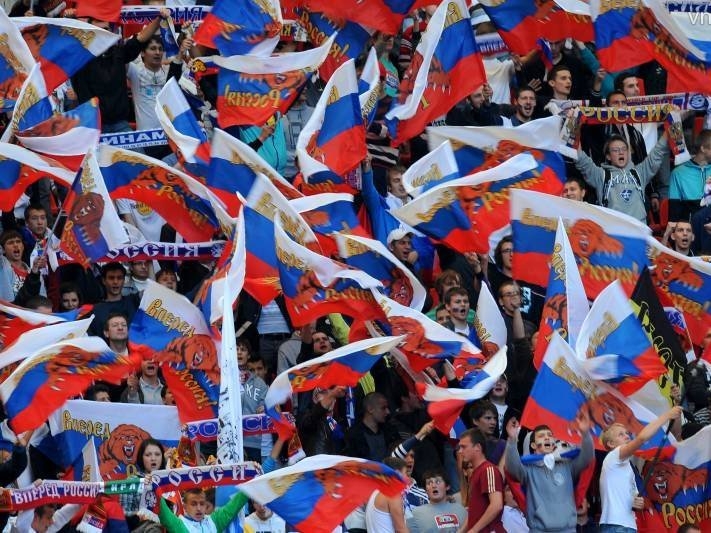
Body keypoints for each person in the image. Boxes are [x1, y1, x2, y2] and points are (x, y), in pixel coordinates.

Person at [598, 406, 682, 532]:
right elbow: (642, 438)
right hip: (615, 525)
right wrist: (666, 416)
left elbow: (635, 501)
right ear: (611, 444)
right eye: (621, 435)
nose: (627, 436)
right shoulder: (613, 456)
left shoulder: (627, 467)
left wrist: (638, 502)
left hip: (628, 525)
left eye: (627, 433)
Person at [504, 418, 593, 533]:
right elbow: (512, 467)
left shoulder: (567, 465)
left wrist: (586, 434)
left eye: (550, 435)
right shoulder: (528, 470)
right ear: (533, 445)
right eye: (541, 436)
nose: (547, 437)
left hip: (568, 530)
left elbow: (587, 457)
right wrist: (512, 440)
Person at [575, 132, 669, 223]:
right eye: (615, 150)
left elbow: (658, 152)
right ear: (608, 156)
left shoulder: (639, 172)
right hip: (614, 230)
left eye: (624, 149)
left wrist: (668, 129)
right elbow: (581, 159)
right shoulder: (600, 175)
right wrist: (573, 129)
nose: (621, 152)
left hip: (639, 228)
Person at [457, 428, 505, 533]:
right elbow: (474, 513)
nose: (460, 451)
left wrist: (474, 530)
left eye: (463, 447)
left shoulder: (488, 469)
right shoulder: (476, 473)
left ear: (478, 447)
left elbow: (496, 505)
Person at [159, 487, 248, 533]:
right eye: (193, 504)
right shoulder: (179, 525)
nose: (199, 508)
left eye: (202, 504)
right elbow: (162, 511)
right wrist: (153, 487)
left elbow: (236, 503)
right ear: (184, 506)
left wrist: (253, 475)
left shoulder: (214, 521)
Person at [406, 469, 467, 533]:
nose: (434, 486)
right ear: (425, 490)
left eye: (438, 482)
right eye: (429, 483)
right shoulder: (415, 514)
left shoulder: (461, 510)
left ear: (447, 486)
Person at [365, 456, 409, 533]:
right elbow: (401, 529)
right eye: (405, 473)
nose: (407, 478)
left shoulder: (375, 493)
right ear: (397, 473)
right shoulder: (393, 494)